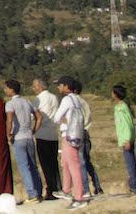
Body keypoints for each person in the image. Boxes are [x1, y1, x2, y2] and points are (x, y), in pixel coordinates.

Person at [3, 79, 44, 203]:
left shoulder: (10, 104)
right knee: (33, 165)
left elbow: (9, 120)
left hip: (18, 137)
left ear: (11, 89)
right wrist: (33, 130)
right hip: (29, 137)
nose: (4, 90)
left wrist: (8, 134)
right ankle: (39, 191)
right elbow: (39, 117)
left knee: (24, 167)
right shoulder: (27, 101)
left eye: (6, 88)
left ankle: (32, 194)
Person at [54, 77, 88, 209]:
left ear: (66, 86)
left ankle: (79, 197)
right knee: (67, 163)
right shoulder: (77, 99)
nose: (58, 88)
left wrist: (62, 120)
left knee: (73, 165)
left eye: (60, 85)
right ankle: (66, 190)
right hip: (77, 135)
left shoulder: (67, 100)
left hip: (68, 135)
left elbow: (57, 117)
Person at [31, 78, 61, 201]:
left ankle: (51, 190)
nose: (33, 89)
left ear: (39, 87)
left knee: (45, 165)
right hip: (53, 134)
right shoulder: (54, 97)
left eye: (34, 86)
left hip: (42, 134)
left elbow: (34, 116)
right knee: (54, 163)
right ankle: (58, 187)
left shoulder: (38, 99)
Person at [111, 86, 136, 194]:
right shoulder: (119, 107)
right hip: (123, 139)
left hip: (126, 139)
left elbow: (128, 124)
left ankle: (134, 186)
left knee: (130, 164)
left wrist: (128, 139)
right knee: (130, 162)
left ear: (115, 94)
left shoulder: (122, 108)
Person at [74, 83, 102, 198]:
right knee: (86, 161)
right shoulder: (84, 102)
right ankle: (97, 186)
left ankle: (85, 189)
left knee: (81, 162)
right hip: (86, 133)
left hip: (79, 133)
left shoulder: (75, 102)